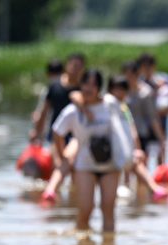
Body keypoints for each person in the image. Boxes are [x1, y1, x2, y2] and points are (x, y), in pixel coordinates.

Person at [50, 69, 120, 233]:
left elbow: (124, 129)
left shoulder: (109, 105)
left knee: (108, 211)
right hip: (85, 166)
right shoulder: (72, 111)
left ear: (99, 88)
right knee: (86, 209)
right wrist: (62, 156)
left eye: (93, 85)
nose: (89, 88)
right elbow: (57, 131)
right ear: (80, 85)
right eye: (86, 83)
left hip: (110, 165)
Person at [31, 53, 86, 202]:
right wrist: (37, 132)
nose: (75, 69)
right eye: (72, 65)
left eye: (79, 67)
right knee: (58, 165)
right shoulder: (55, 86)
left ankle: (73, 204)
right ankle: (57, 202)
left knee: (76, 168)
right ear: (66, 66)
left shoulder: (84, 89)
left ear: (83, 69)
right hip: (56, 134)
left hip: (77, 135)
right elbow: (44, 111)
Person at [137, 52, 168, 164]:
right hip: (143, 125)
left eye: (149, 65)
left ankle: (160, 180)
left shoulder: (164, 79)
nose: (147, 69)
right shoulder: (138, 82)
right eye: (144, 66)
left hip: (162, 121)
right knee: (144, 157)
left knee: (161, 155)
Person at [121, 60, 167, 167]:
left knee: (140, 165)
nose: (128, 78)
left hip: (141, 133)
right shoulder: (119, 90)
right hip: (123, 132)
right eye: (125, 75)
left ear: (137, 74)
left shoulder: (145, 92)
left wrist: (161, 138)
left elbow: (152, 117)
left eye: (130, 75)